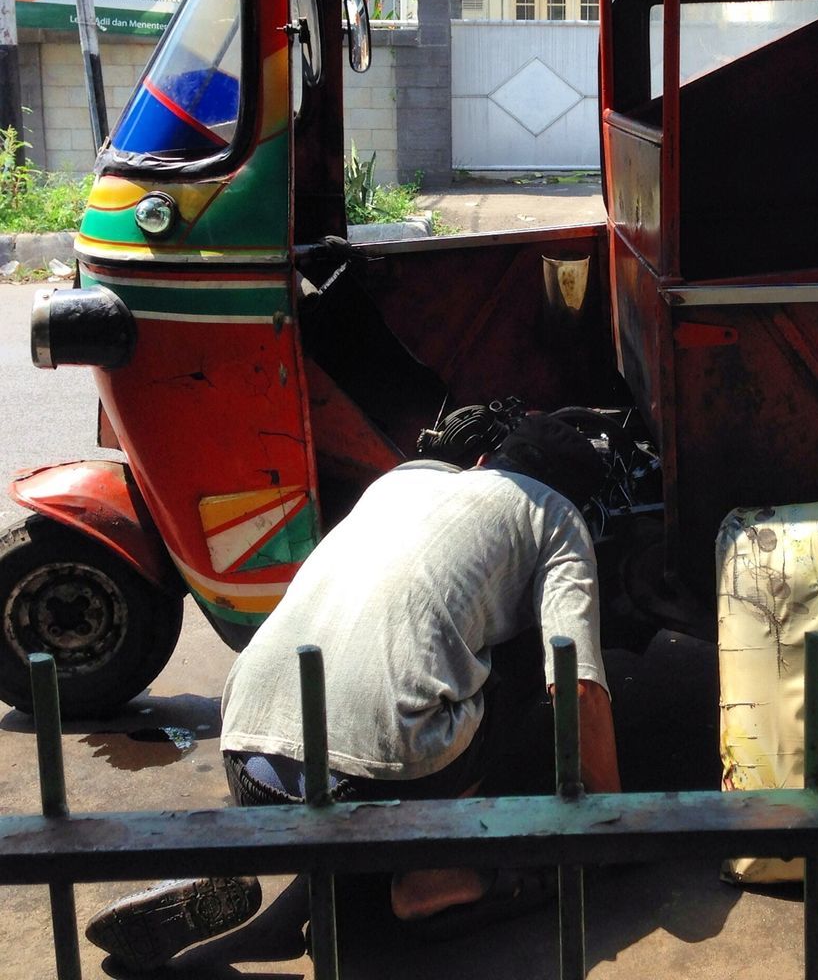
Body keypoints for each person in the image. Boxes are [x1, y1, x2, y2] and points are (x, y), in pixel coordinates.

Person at [85, 414, 619, 971]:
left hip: (245, 754)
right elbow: (575, 685)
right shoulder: (556, 517)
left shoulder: (401, 481)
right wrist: (617, 823)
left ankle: (278, 911)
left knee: (391, 676)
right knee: (517, 663)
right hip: (373, 785)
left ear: (484, 462)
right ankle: (432, 874)